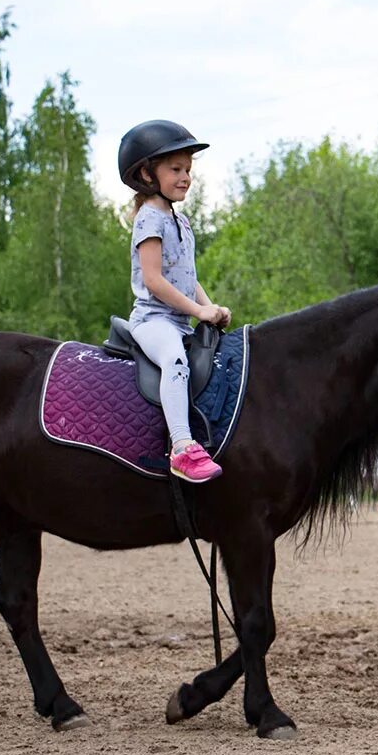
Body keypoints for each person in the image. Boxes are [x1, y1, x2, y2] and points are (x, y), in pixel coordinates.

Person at [118, 119, 230, 483]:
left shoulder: (179, 220)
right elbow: (153, 280)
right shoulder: (149, 218)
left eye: (188, 170)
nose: (186, 177)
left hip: (180, 319)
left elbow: (187, 276)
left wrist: (210, 309)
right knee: (175, 361)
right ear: (148, 174)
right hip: (153, 321)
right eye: (176, 169)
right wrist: (198, 311)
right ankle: (182, 447)